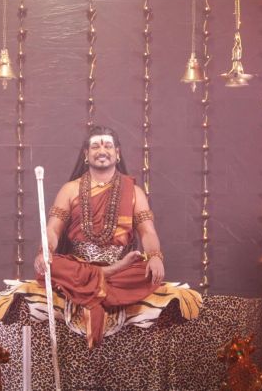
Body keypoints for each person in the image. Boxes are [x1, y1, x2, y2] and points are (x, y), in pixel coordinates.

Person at [33, 125, 166, 347]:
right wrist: (45, 251)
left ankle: (96, 282)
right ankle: (102, 278)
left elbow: (148, 232)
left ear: (117, 153)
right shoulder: (70, 189)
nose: (102, 150)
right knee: (53, 265)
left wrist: (155, 256)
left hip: (120, 269)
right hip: (79, 265)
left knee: (146, 271)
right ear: (86, 154)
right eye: (95, 146)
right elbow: (53, 229)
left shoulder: (134, 192)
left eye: (107, 146)